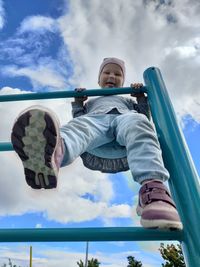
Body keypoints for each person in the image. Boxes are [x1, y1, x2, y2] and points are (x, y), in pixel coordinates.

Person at [11, 57, 182, 230]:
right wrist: (79, 101)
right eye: (106, 72)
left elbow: (145, 116)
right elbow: (79, 120)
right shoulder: (91, 101)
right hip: (97, 131)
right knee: (80, 125)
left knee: (139, 122)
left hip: (124, 129)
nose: (111, 76)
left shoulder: (127, 102)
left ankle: (154, 191)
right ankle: (53, 155)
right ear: (99, 79)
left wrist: (140, 98)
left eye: (117, 74)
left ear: (123, 81)